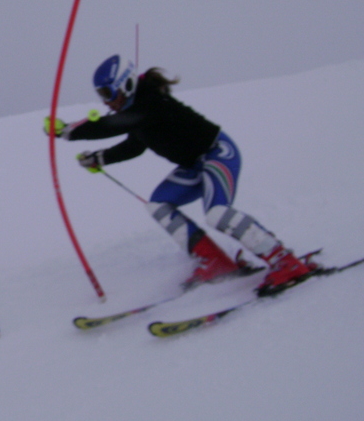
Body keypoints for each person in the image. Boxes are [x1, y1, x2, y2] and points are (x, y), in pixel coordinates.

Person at [45, 53, 317, 295]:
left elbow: (114, 125)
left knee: (217, 213)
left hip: (217, 154)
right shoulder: (137, 112)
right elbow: (134, 145)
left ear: (125, 84)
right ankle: (214, 262)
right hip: (193, 167)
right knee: (158, 205)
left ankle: (285, 262)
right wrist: (100, 157)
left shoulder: (150, 101)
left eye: (108, 92)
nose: (106, 101)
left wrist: (68, 131)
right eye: (101, 95)